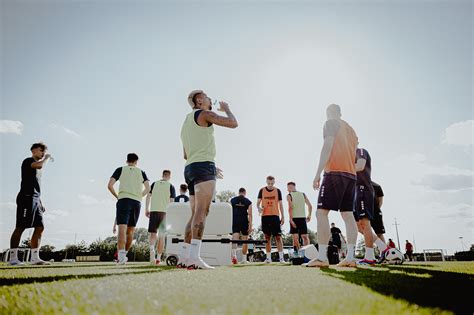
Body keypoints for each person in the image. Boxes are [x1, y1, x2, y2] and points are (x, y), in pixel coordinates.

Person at [177, 89, 238, 270]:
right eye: (208, 97)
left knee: (195, 212)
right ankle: (195, 257)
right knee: (202, 212)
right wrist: (226, 109)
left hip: (190, 168)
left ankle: (184, 256)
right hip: (203, 166)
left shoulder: (185, 123)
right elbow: (233, 123)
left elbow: (186, 154)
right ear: (200, 100)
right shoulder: (205, 113)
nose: (211, 100)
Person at [309, 104, 359, 268]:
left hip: (335, 172)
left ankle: (322, 257)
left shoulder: (330, 123)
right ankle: (351, 257)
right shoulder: (351, 131)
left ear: (329, 113)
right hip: (351, 174)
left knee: (321, 212)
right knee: (348, 215)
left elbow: (327, 146)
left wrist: (317, 173)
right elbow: (355, 156)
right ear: (340, 112)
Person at [8, 142, 52, 266]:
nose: (43, 153)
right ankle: (13, 259)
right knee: (21, 227)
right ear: (33, 151)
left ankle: (34, 258)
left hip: (36, 199)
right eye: (41, 150)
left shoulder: (38, 167)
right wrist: (47, 158)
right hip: (25, 199)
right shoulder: (28, 161)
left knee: (40, 227)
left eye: (44, 151)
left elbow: (35, 186)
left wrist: (40, 201)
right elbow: (39, 166)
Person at [107, 153, 150, 265]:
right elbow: (148, 188)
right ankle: (123, 255)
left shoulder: (120, 169)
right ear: (136, 161)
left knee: (122, 228)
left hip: (123, 200)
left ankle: (121, 257)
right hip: (136, 202)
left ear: (127, 161)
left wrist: (117, 196)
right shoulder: (141, 172)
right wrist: (139, 196)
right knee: (130, 230)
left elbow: (110, 185)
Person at [145, 170, 176, 265]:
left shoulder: (154, 184)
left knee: (153, 234)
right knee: (161, 236)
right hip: (165, 213)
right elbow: (172, 202)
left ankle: (152, 251)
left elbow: (148, 196)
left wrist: (146, 209)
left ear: (162, 175)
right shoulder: (171, 186)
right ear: (169, 176)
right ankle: (158, 259)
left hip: (154, 211)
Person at [353, 148, 377, 265]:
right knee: (358, 226)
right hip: (356, 190)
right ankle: (384, 248)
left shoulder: (360, 151)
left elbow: (360, 166)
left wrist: (341, 167)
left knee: (365, 222)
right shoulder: (349, 155)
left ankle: (369, 257)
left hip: (363, 188)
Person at [258, 176, 285, 264]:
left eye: (272, 183)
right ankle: (268, 259)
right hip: (265, 216)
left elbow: (281, 204)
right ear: (266, 182)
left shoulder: (278, 191)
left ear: (274, 182)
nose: (270, 185)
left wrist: (283, 216)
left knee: (278, 237)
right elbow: (258, 203)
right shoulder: (261, 190)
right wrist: (259, 208)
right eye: (269, 183)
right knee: (267, 237)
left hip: (275, 216)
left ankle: (281, 258)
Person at [286, 182, 312, 254]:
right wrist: (309, 215)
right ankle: (306, 254)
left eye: (288, 187)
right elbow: (310, 206)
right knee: (304, 237)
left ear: (291, 187)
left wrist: (291, 220)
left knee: (295, 238)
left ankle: (297, 254)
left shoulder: (289, 195)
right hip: (301, 218)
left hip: (295, 218)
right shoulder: (302, 194)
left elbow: (290, 207)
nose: (288, 189)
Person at [230, 188, 253, 264]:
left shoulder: (232, 200)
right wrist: (250, 226)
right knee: (245, 241)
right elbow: (250, 215)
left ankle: (234, 257)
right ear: (245, 193)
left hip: (235, 221)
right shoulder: (248, 201)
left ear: (239, 192)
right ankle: (243, 259)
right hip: (244, 222)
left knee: (235, 239)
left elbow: (229, 212)